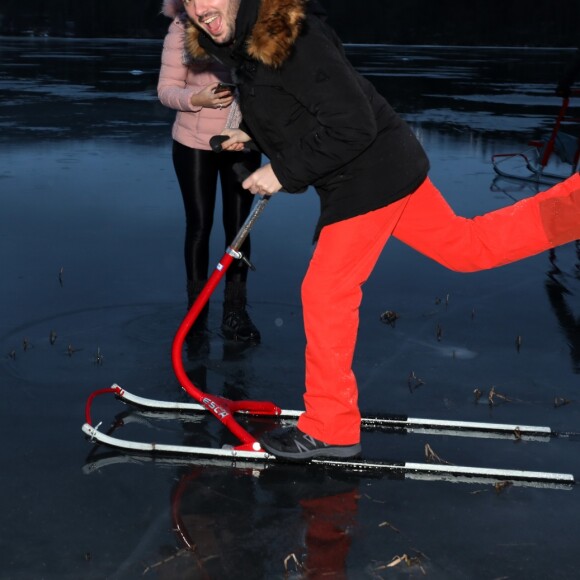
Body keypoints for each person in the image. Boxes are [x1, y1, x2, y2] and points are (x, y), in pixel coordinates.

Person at [181, 0, 580, 461]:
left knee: (326, 292)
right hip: (388, 165)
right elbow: (297, 106)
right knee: (468, 248)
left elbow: (352, 123)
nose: (200, 7)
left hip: (367, 175)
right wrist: (253, 136)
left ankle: (331, 428)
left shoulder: (294, 38)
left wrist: (283, 172)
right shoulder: (247, 47)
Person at [158, 0, 262, 343]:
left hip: (243, 139)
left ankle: (235, 313)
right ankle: (196, 311)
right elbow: (166, 89)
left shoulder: (247, 24)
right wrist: (197, 99)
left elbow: (267, 82)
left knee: (239, 230)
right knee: (199, 226)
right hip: (192, 143)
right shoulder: (181, 29)